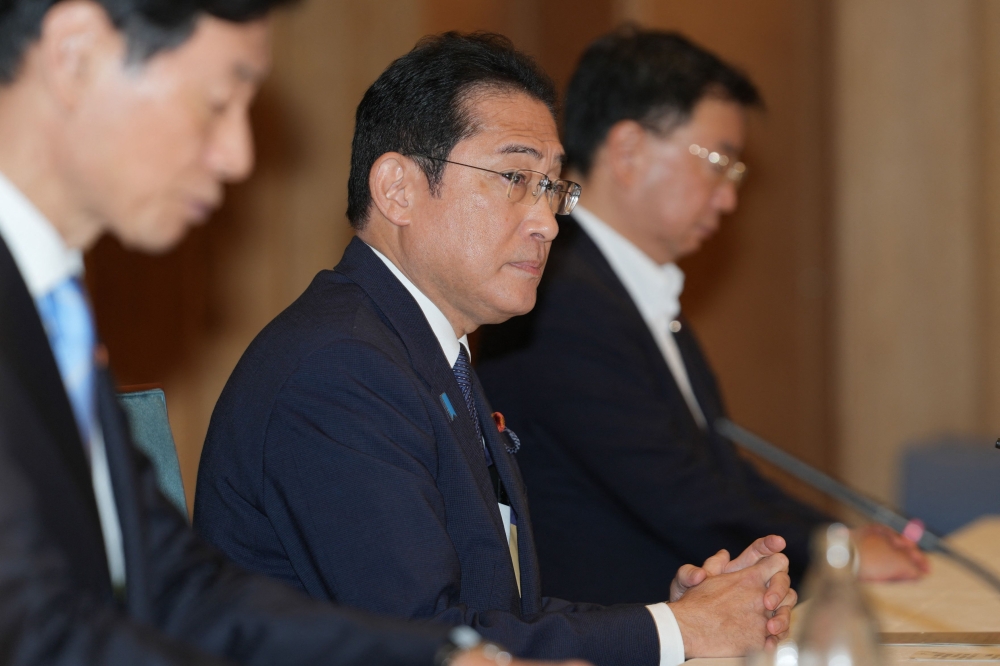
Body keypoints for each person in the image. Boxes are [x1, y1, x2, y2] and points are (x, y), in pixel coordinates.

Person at [194, 31, 798, 666]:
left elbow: (499, 615)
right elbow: (433, 641)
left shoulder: (423, 349)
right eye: (514, 177)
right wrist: (676, 631)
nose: (546, 220)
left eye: (552, 187)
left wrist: (675, 613)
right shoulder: (340, 369)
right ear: (398, 188)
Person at [0, 2, 577, 665]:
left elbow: (180, 588)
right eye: (217, 101)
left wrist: (439, 657)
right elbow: (41, 630)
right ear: (74, 55)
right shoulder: (339, 359)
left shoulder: (52, 309)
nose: (238, 156)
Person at [475, 27, 930, 607]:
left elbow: (719, 471)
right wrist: (837, 553)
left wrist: (841, 538)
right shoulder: (559, 298)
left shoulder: (630, 288)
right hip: (608, 630)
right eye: (718, 162)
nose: (728, 198)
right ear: (629, 151)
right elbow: (679, 495)